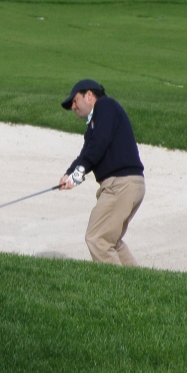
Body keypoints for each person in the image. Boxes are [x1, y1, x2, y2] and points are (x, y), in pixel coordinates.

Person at [59, 79, 145, 266]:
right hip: (127, 185)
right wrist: (70, 174)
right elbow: (87, 153)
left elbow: (98, 146)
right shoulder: (93, 126)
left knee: (97, 238)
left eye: (75, 101)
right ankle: (138, 285)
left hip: (121, 184)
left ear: (89, 95)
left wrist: (77, 175)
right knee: (111, 241)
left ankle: (119, 290)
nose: (73, 107)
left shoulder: (105, 106)